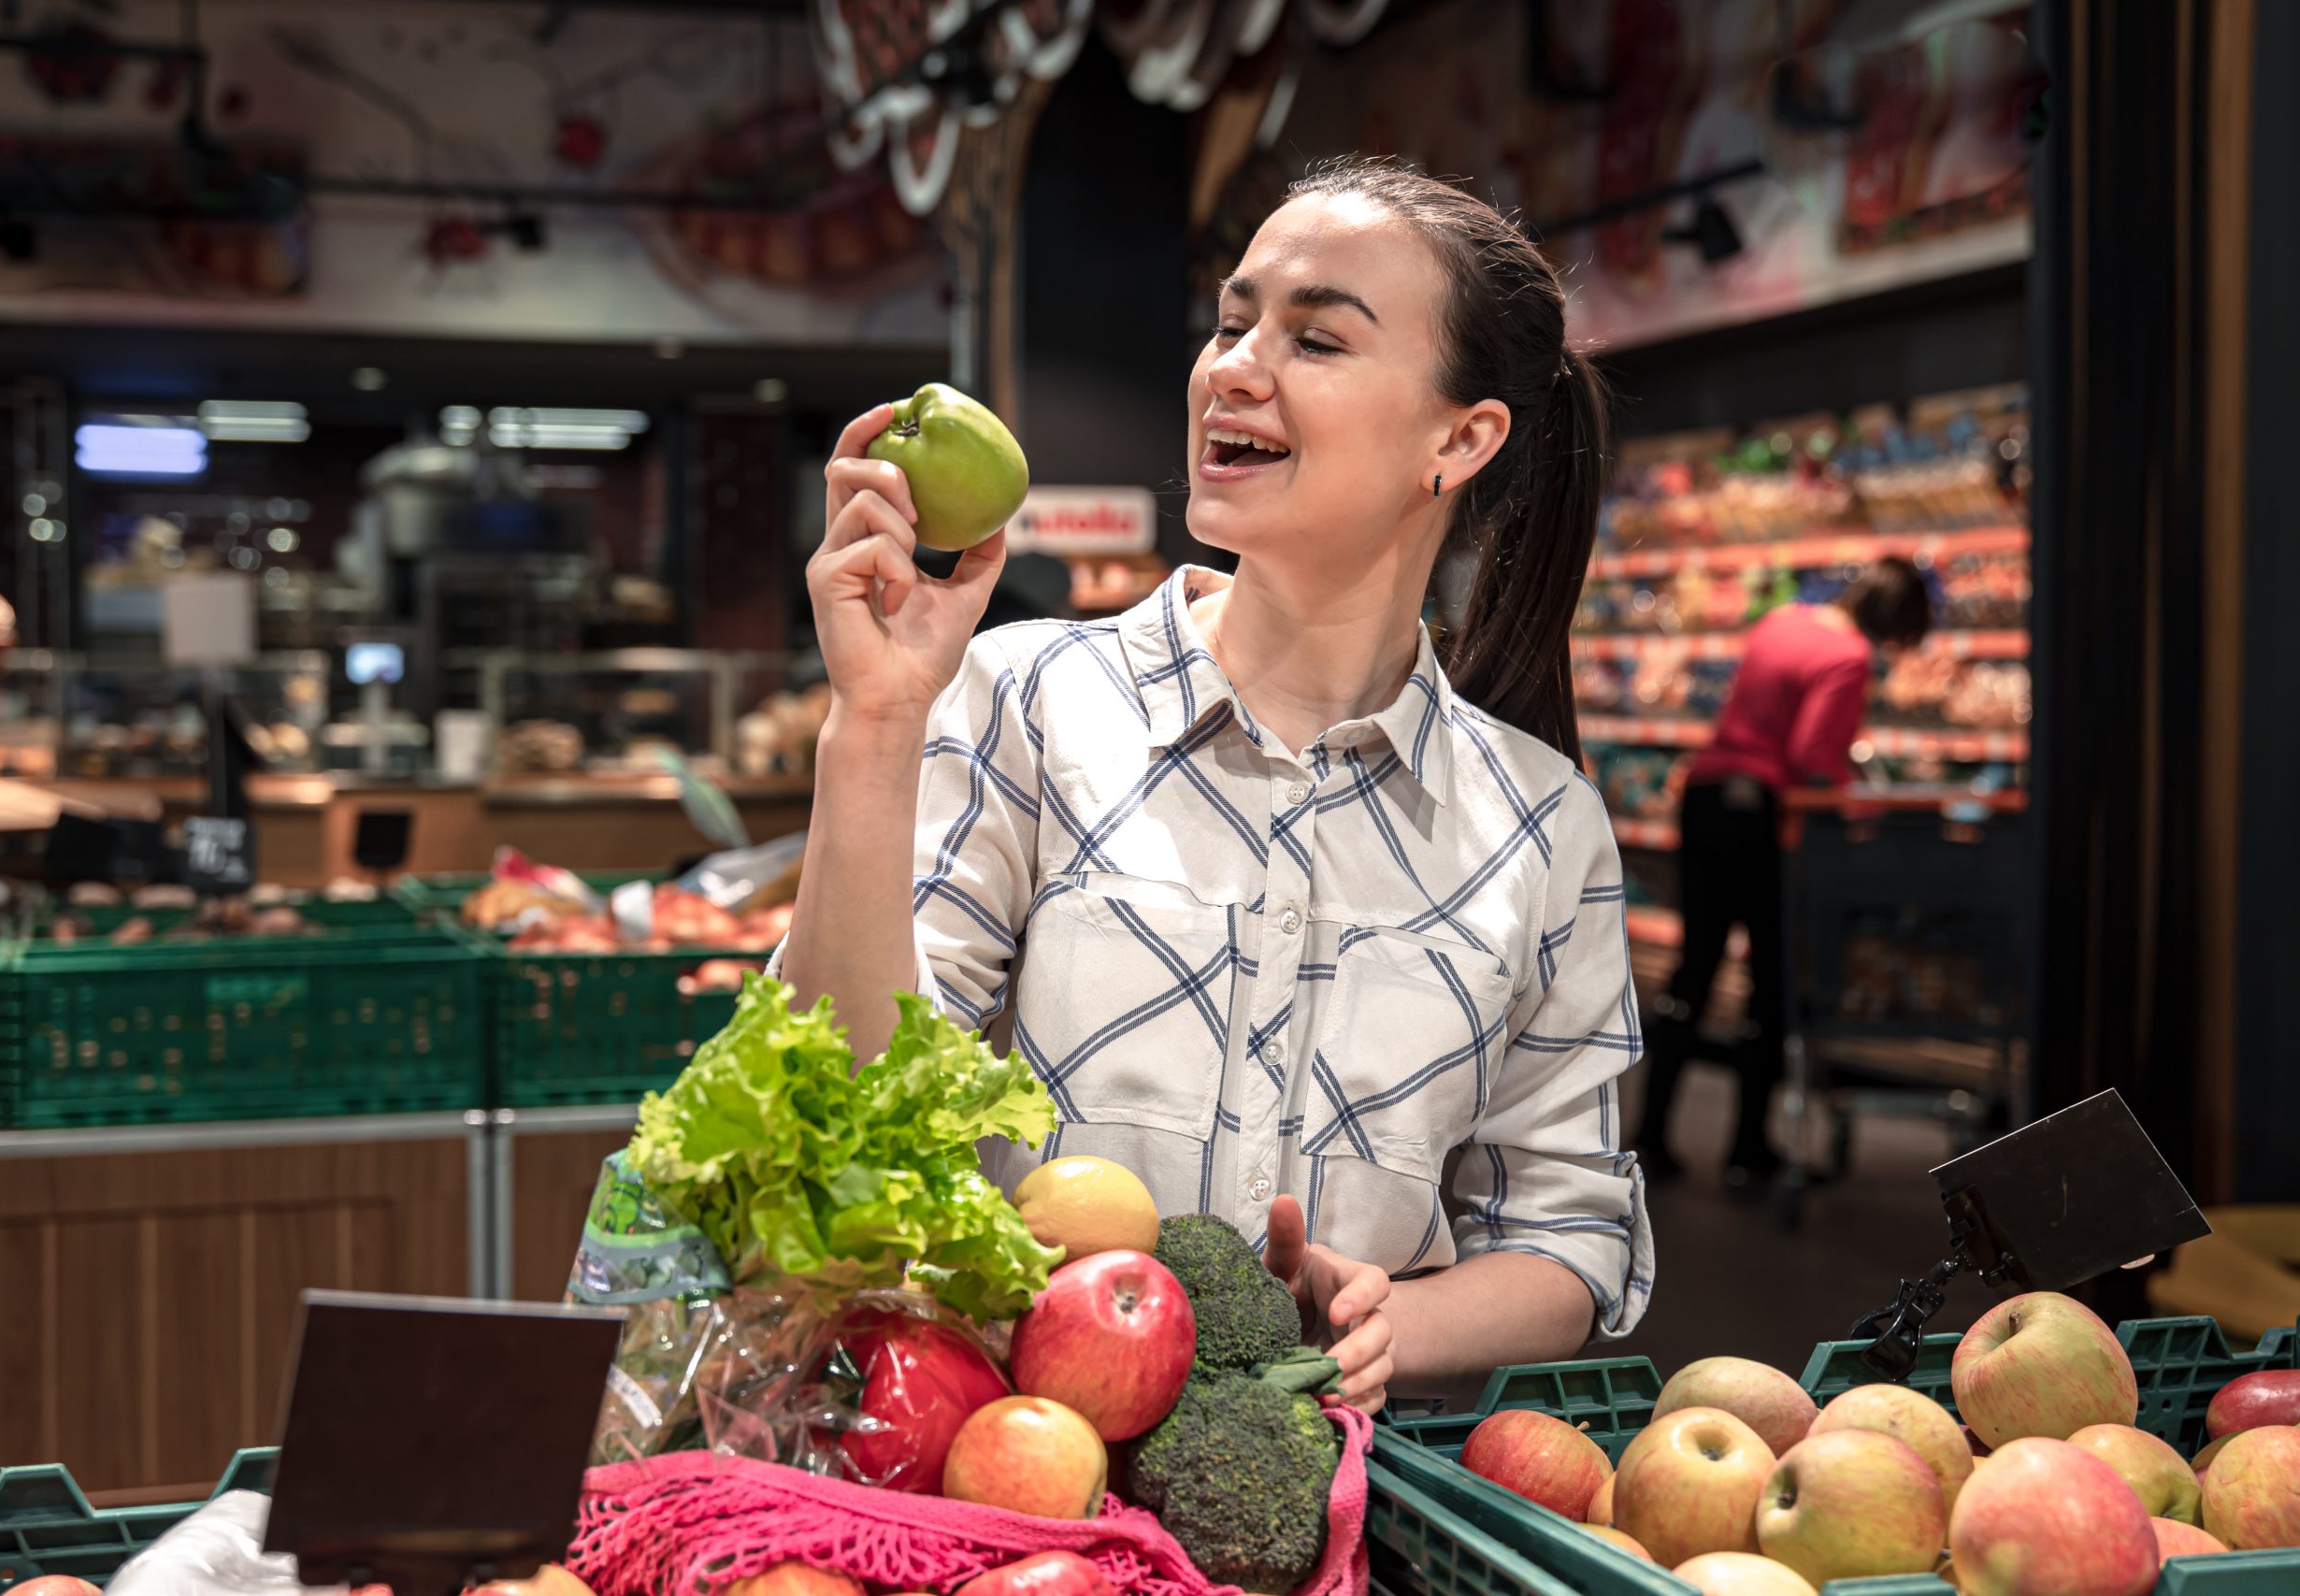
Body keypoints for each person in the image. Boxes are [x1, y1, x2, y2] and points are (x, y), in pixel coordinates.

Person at [779, 158, 1652, 1413]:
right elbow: (841, 1115)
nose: (1234, 365)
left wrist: (1390, 1318)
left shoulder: (1545, 825)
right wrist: (872, 721)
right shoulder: (1024, 700)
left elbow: (1572, 1234)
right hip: (1007, 1472)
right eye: (1235, 319)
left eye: (1316, 337)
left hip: (1345, 1499)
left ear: (1459, 439)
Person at [1632, 556, 1933, 1188]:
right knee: (1770, 980)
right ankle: (1749, 1151)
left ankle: (1650, 1134)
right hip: (1761, 815)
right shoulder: (1848, 655)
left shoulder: (1780, 621)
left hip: (1708, 795)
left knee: (1696, 966)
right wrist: (1854, 802)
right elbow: (1813, 757)